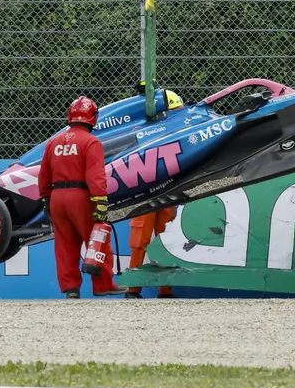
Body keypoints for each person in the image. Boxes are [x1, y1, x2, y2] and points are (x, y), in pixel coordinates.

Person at [37, 95, 128, 299]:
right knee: (98, 239)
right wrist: (101, 202)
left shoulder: (53, 143)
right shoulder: (91, 142)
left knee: (65, 245)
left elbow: (43, 175)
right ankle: (103, 285)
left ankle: (71, 289)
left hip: (57, 197)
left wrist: (46, 200)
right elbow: (95, 175)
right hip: (82, 197)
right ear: (93, 117)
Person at [125, 88, 185, 299]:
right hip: (146, 191)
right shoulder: (141, 129)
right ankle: (133, 289)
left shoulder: (176, 131)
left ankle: (165, 289)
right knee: (140, 240)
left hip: (165, 190)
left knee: (166, 239)